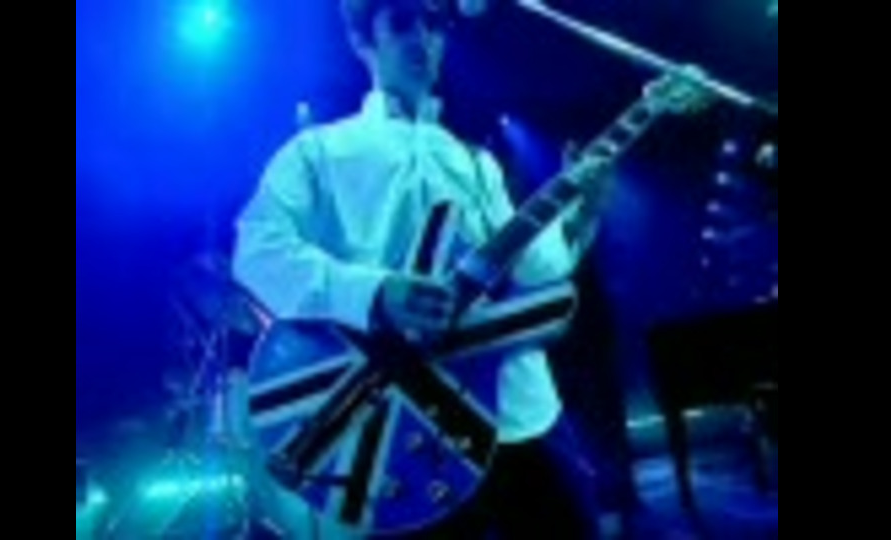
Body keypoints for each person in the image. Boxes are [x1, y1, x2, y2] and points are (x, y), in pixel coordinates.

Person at [232, 0, 612, 537]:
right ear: (362, 41)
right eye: (402, 22)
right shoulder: (317, 153)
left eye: (434, 24)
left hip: (515, 408)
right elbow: (256, 251)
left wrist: (582, 217)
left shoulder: (475, 162)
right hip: (401, 437)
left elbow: (535, 271)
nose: (423, 38)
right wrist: (375, 293)